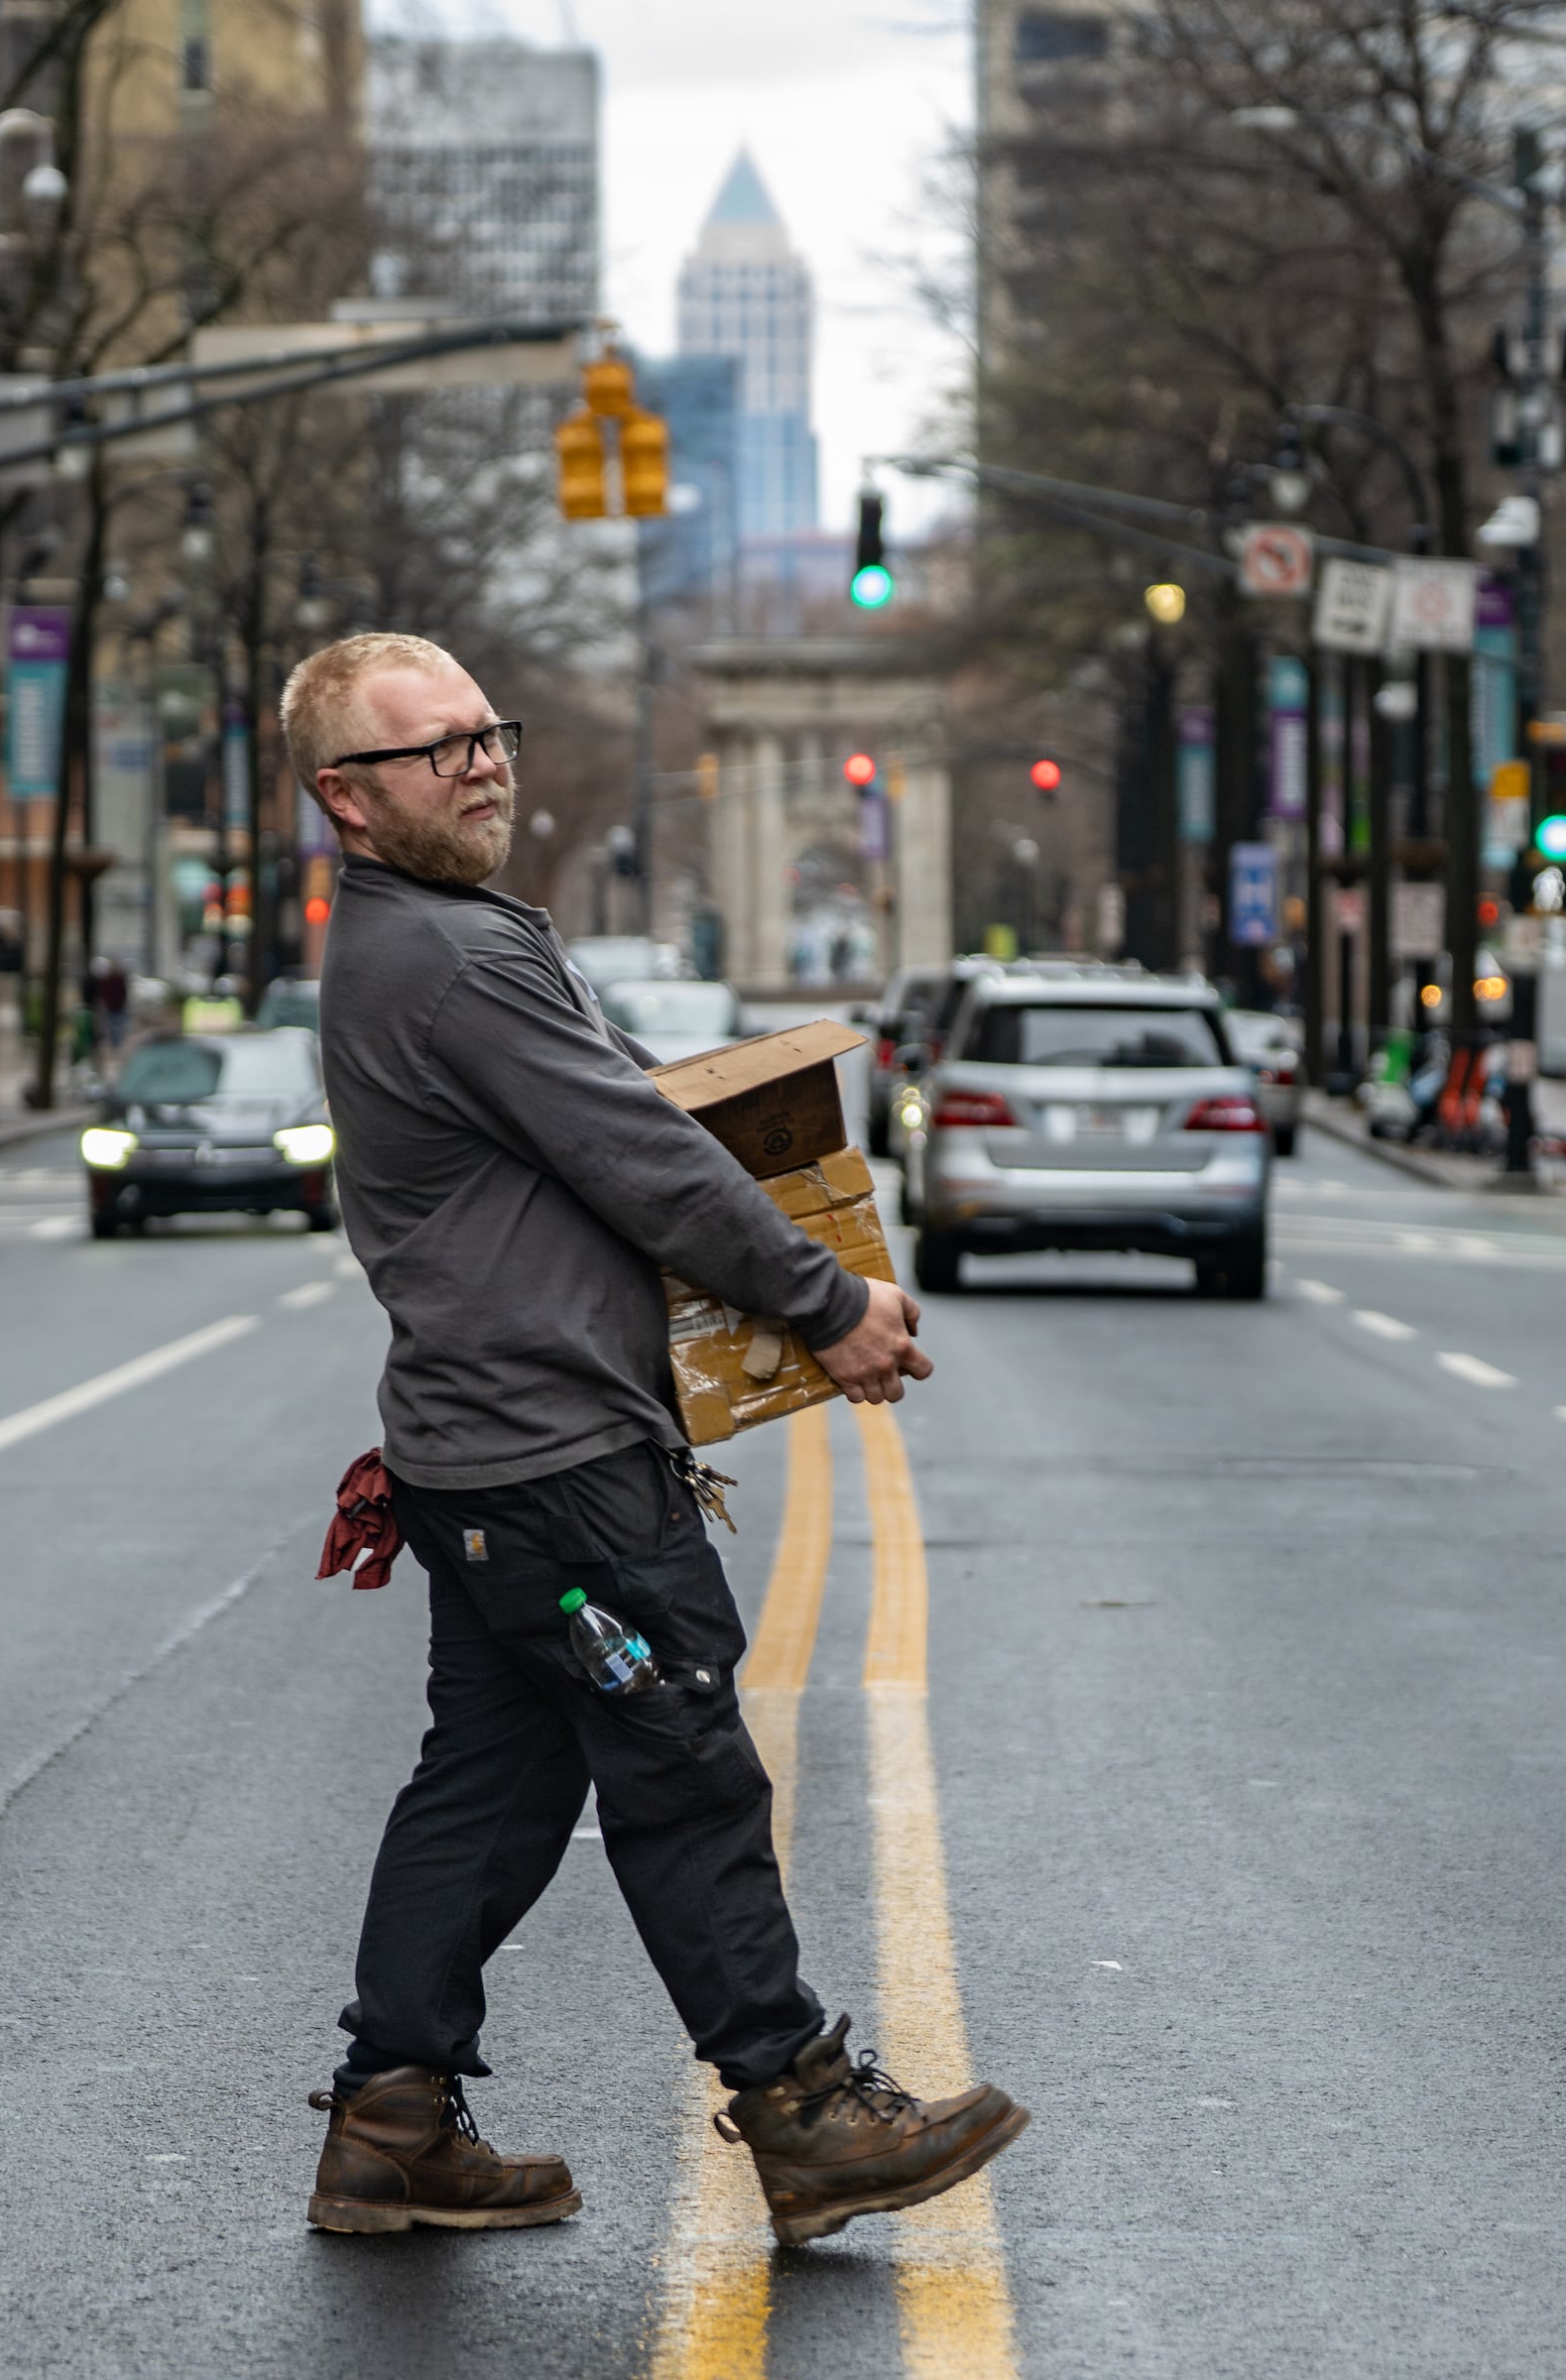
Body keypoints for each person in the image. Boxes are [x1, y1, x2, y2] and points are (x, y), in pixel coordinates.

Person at [284, 631, 1026, 2245]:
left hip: (488, 1463)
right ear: (347, 798)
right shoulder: (454, 960)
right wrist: (827, 1300)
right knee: (685, 1762)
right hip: (557, 1470)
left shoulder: (439, 937)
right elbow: (645, 1161)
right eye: (438, 750)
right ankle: (804, 2104)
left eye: (489, 733)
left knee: (488, 1790)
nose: (484, 763)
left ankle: (393, 2119)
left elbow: (635, 1115)